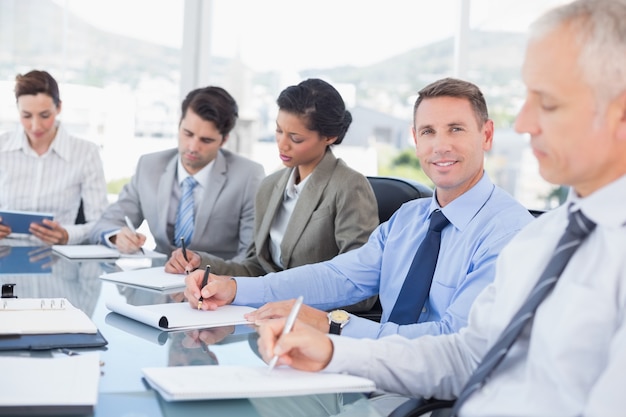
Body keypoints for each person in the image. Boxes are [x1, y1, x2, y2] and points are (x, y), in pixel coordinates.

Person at [256, 1, 626, 416]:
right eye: (428, 131)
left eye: (549, 102)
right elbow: (468, 356)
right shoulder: (547, 237)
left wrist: (337, 329)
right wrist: (332, 350)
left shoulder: (519, 233)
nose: (522, 124)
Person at [185, 77, 533, 340]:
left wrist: (333, 326)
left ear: (486, 135)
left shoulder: (510, 234)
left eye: (455, 129)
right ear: (415, 139)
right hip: (370, 372)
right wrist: (235, 287)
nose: (440, 146)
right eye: (428, 132)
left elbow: (453, 341)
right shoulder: (408, 220)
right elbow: (339, 276)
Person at [166, 79, 379, 311]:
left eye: (295, 138)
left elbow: (361, 289)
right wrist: (202, 262)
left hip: (311, 324)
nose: (282, 144)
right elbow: (256, 268)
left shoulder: (349, 186)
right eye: (279, 131)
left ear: (329, 137)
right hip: (263, 318)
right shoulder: (270, 186)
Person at [90, 86, 265, 257]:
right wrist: (117, 237)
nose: (193, 147)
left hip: (214, 281)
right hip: (158, 278)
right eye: (188, 133)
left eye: (206, 140)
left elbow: (250, 257)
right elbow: (105, 224)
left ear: (224, 140)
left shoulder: (248, 177)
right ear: (179, 124)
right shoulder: (149, 166)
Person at [0, 70, 108, 245]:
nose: (35, 126)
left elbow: (101, 223)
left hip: (59, 257)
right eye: (26, 116)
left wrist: (67, 235)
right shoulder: (2, 148)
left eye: (44, 115)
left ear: (58, 108)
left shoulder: (86, 153)